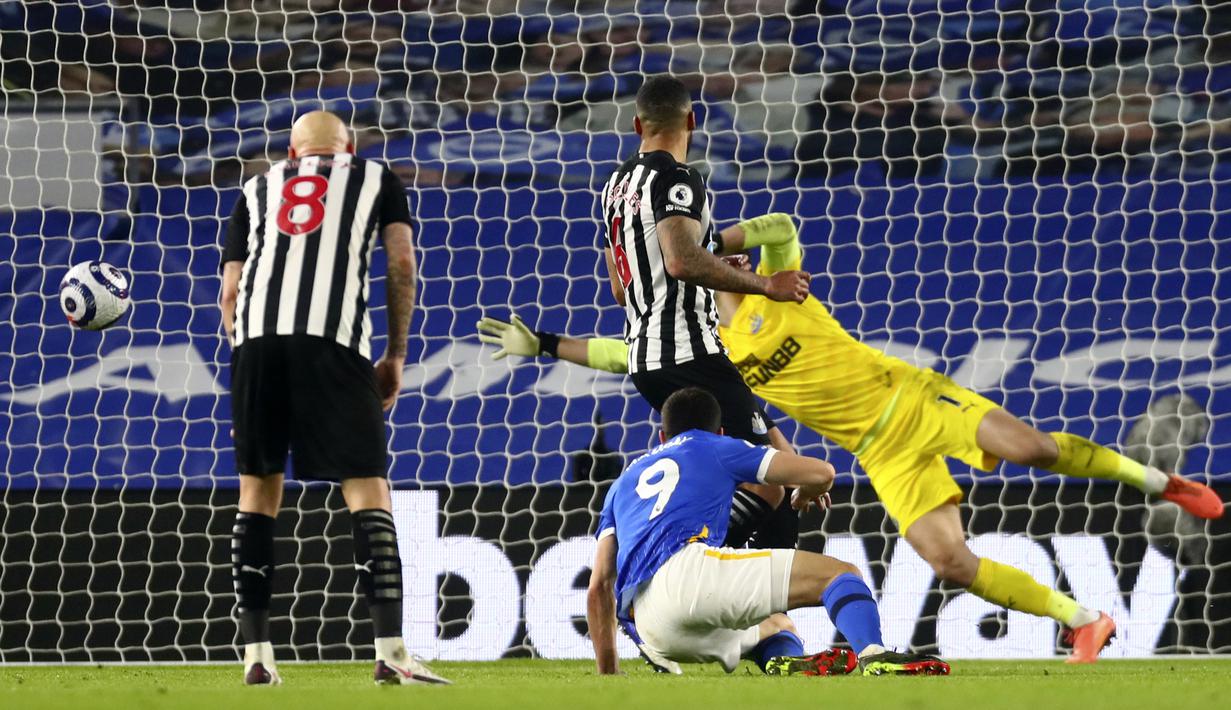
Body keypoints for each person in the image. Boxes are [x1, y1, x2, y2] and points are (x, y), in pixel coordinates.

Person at [480, 213, 1225, 664]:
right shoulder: (709, 346)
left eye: (730, 257)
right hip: (879, 450)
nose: (734, 262)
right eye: (718, 263)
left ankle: (1164, 483)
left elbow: (777, 228)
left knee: (1030, 450)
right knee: (951, 563)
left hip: (914, 397)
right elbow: (622, 354)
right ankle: (1085, 621)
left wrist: (707, 239)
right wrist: (542, 343)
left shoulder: (781, 287)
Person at [219, 110, 447, 686]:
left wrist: (243, 379)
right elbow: (401, 262)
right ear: (347, 149)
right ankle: (391, 653)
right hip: (333, 341)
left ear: (292, 154)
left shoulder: (254, 188)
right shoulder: (374, 176)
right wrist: (395, 355)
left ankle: (257, 657)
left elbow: (230, 293)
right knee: (367, 488)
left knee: (257, 493)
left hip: (255, 345)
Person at [586, 387, 950, 676]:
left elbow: (600, 585)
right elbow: (822, 472)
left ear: (662, 435)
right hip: (689, 573)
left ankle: (781, 660)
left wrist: (609, 673)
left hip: (651, 627)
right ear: (721, 430)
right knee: (842, 574)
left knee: (777, 624)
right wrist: (805, 491)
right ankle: (874, 654)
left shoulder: (622, 484)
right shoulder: (716, 446)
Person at [593, 74, 811, 548]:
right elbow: (679, 260)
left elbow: (622, 287)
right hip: (689, 353)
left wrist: (713, 265)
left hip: (647, 360)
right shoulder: (678, 177)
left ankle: (760, 582)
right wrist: (766, 284)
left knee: (781, 463)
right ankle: (677, 557)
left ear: (637, 125)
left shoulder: (613, 188)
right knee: (770, 481)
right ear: (692, 120)